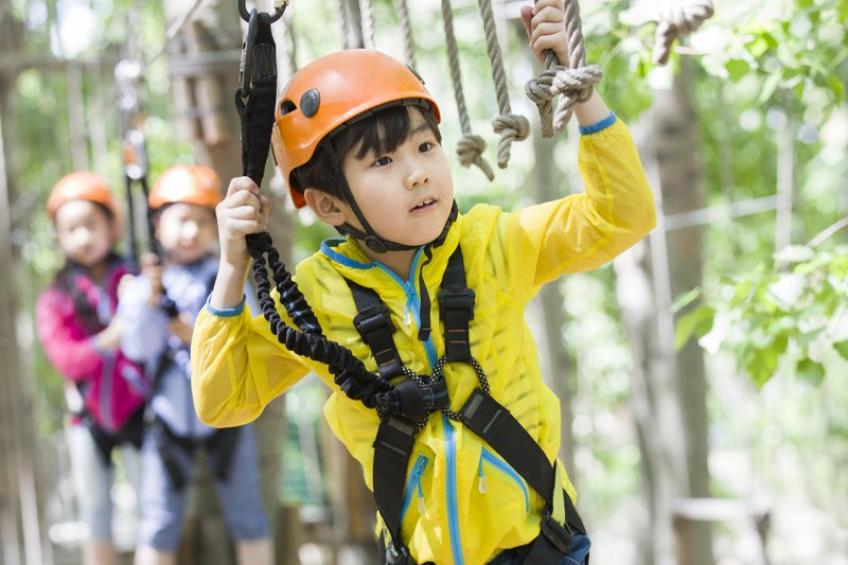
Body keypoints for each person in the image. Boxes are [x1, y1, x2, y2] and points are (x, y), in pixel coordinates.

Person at [192, 1, 656, 563]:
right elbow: (223, 401)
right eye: (382, 161)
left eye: (426, 146)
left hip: (540, 548)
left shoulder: (495, 245)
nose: (417, 172)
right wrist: (231, 270)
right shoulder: (315, 300)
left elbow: (621, 216)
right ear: (328, 203)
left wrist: (580, 93)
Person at [117, 165, 273, 565]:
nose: (191, 231)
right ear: (158, 225)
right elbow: (138, 349)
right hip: (168, 420)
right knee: (158, 523)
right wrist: (148, 305)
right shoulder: (145, 283)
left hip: (228, 421)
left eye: (202, 221)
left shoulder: (226, 276)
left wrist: (198, 335)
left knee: (249, 518)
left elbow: (249, 336)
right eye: (182, 220)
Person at [36, 171, 147, 565]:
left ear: (112, 226)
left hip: (140, 411)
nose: (83, 237)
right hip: (86, 419)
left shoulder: (135, 277)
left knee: (154, 512)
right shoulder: (56, 297)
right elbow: (65, 358)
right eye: (71, 229)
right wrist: (108, 339)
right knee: (95, 515)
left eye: (90, 225)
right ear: (59, 237)